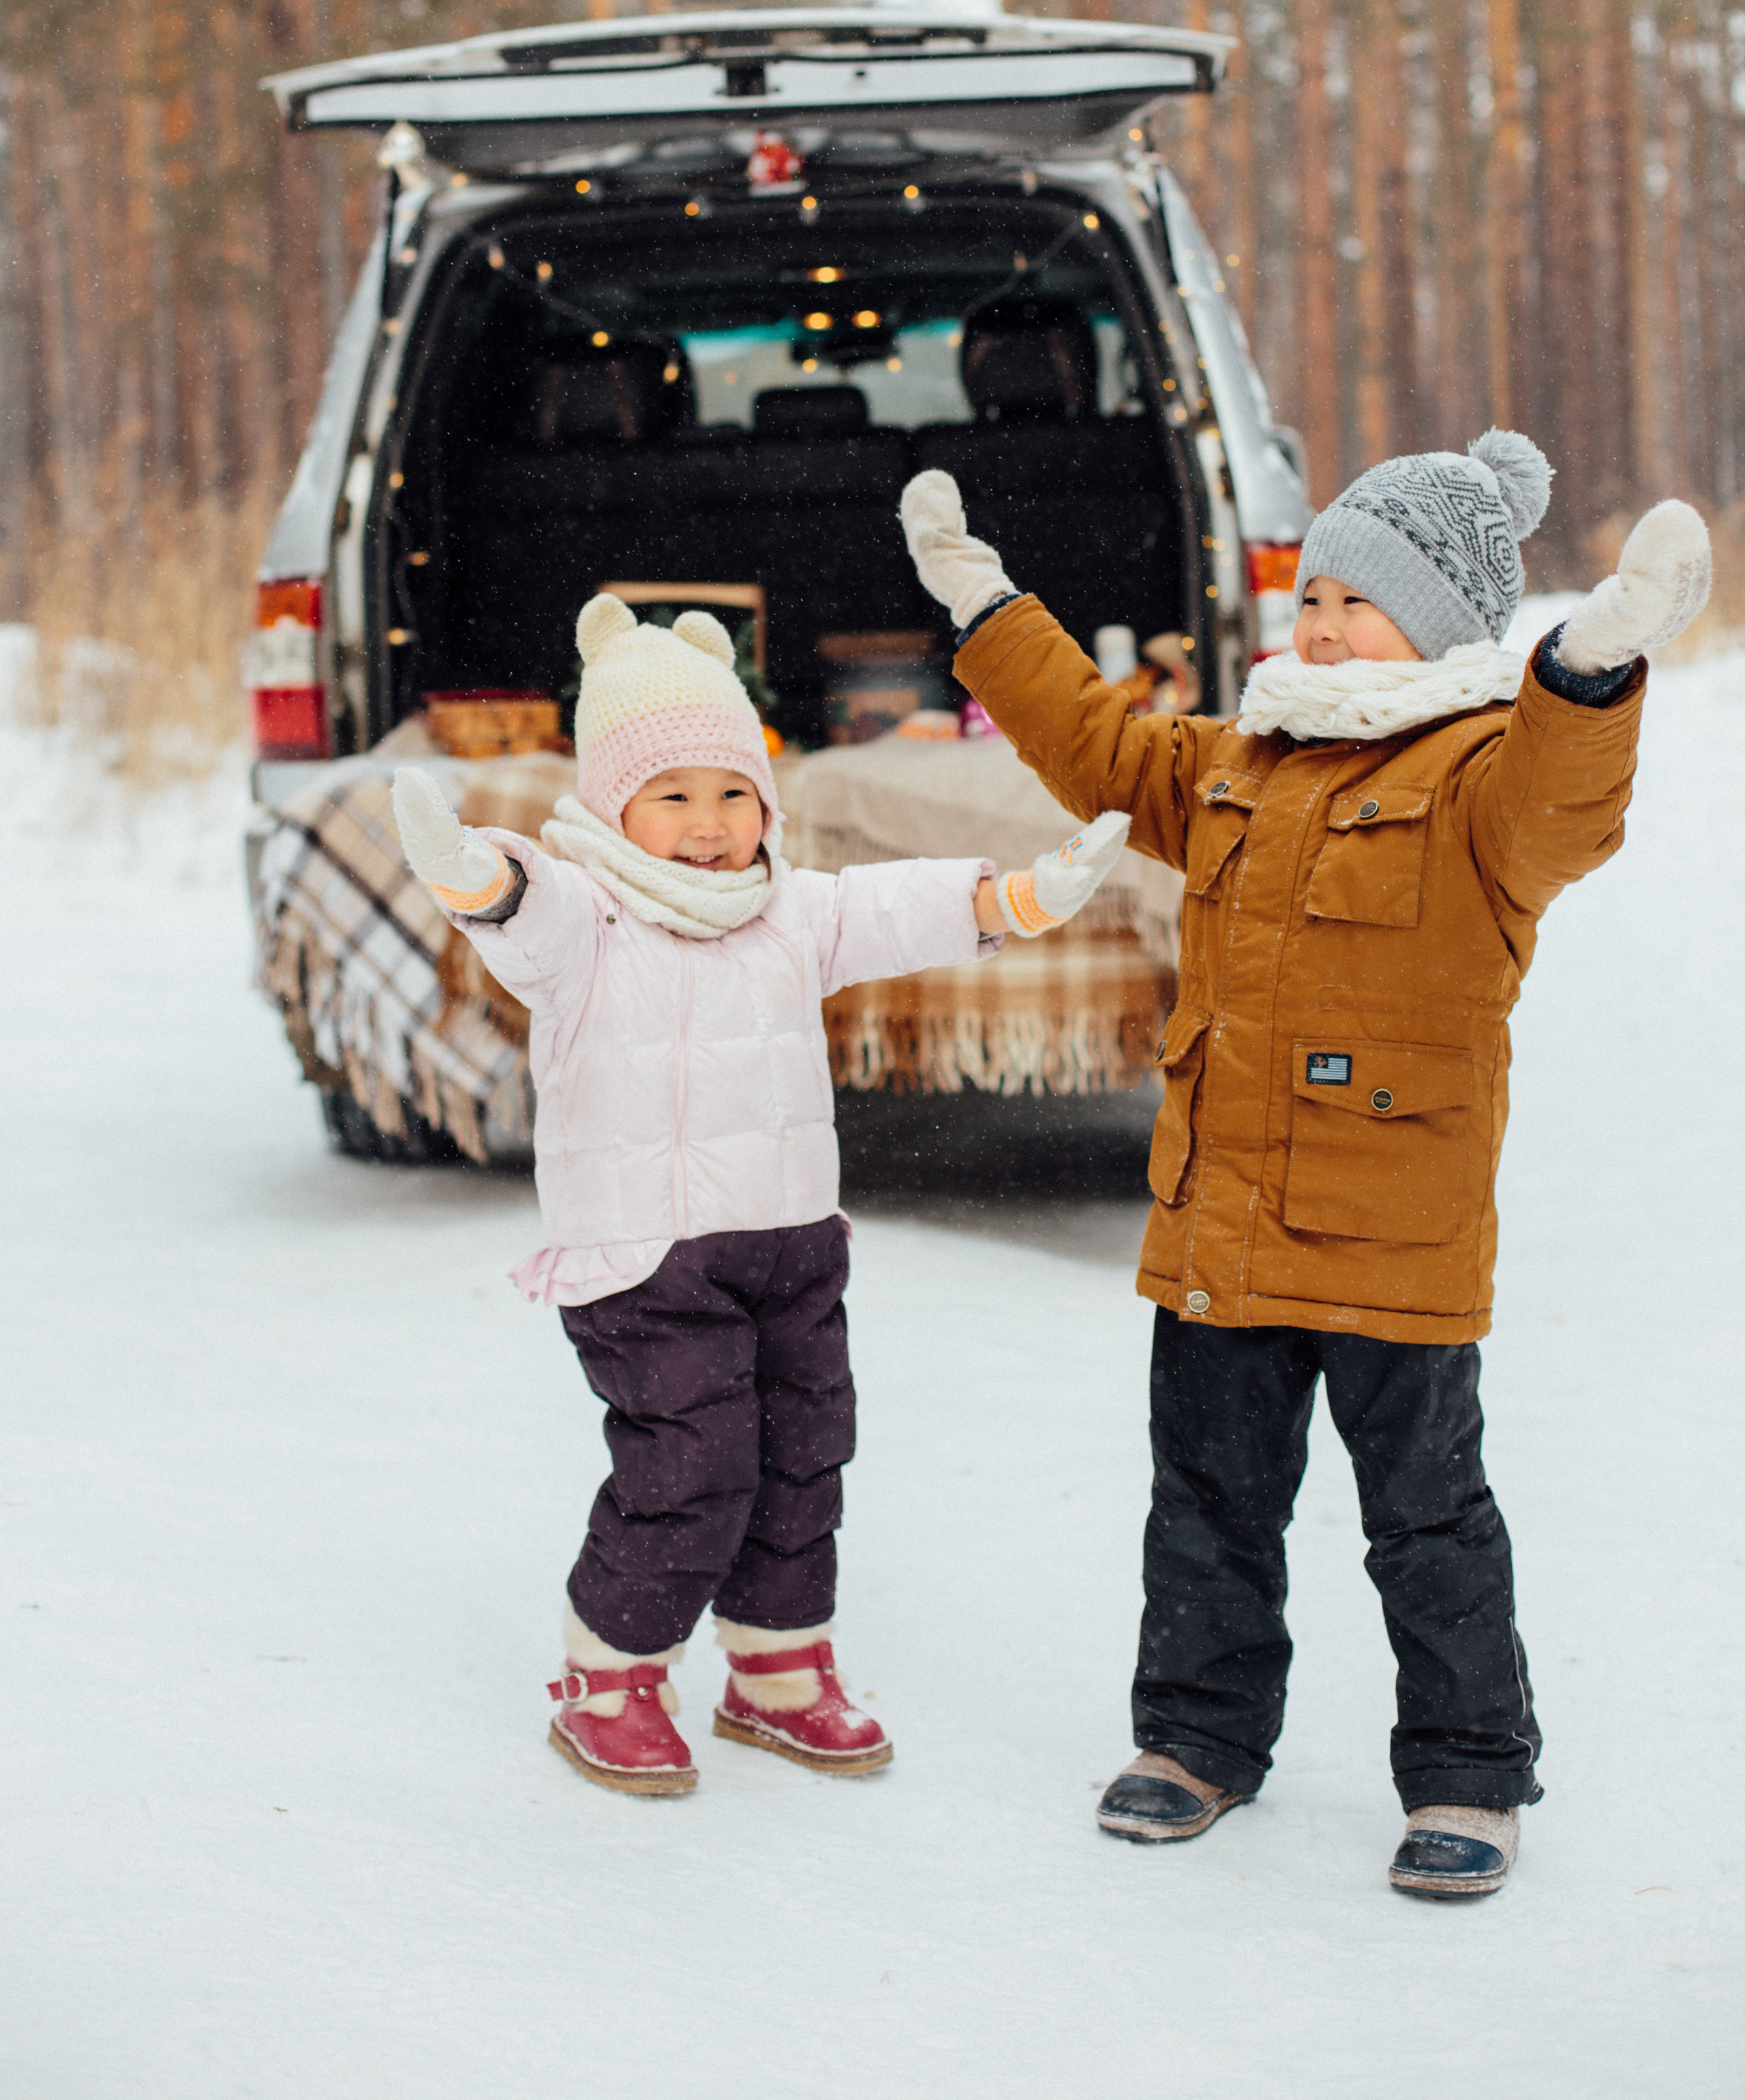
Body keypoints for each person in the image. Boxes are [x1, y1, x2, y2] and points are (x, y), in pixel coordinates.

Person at [900, 431, 1710, 1898]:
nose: (1323, 623)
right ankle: (1196, 1740)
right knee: (1204, 1495)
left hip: (1390, 1232)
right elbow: (1097, 744)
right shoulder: (1235, 763)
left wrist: (1587, 669)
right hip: (1220, 1218)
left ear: (1449, 618)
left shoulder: (1480, 777)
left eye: (1361, 599)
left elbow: (1562, 802)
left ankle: (1466, 1772)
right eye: (1314, 595)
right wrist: (985, 607)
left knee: (1423, 1514)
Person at [391, 593, 1129, 1799]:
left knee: (802, 1459)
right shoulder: (592, 916)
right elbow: (525, 914)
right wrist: (472, 872)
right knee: (691, 1464)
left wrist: (1020, 897)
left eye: (733, 793)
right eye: (673, 795)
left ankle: (778, 1673)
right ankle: (610, 1676)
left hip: (791, 1242)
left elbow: (895, 905)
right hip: (646, 1258)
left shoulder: (792, 909)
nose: (709, 824)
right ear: (612, 802)